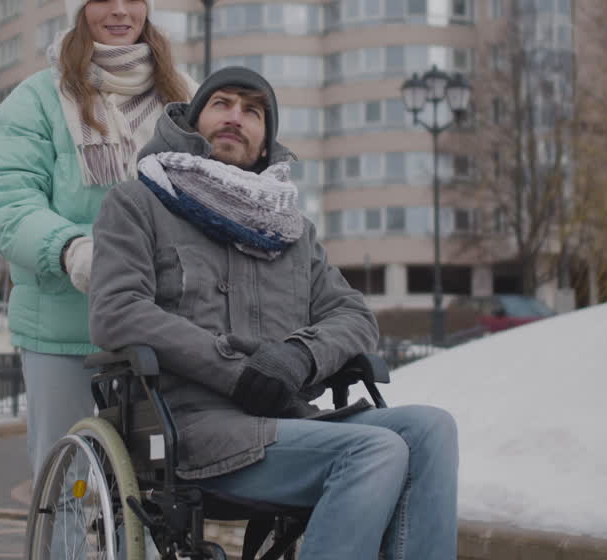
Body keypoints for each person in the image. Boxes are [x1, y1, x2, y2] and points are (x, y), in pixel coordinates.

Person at [88, 67, 460, 559]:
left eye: (253, 111)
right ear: (194, 120)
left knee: (432, 429)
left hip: (287, 419)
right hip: (187, 426)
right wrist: (235, 371)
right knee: (375, 450)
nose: (235, 117)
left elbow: (353, 315)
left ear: (265, 141)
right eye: (222, 103)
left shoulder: (291, 231)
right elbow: (117, 311)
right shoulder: (139, 202)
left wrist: (300, 357)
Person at [0, 0, 196, 480]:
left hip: (164, 323)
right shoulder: (37, 100)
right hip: (65, 325)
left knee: (165, 482)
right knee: (71, 478)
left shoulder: (184, 97)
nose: (119, 11)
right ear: (79, 9)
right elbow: (5, 198)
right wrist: (71, 249)